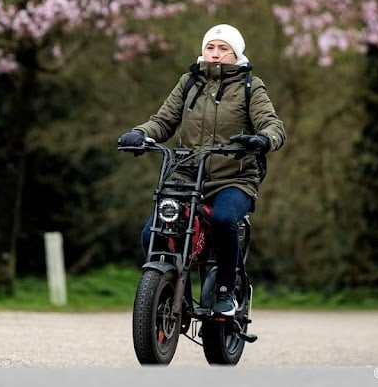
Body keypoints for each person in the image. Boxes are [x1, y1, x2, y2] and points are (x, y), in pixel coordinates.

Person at [118, 23, 285, 317]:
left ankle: (225, 289)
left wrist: (261, 139)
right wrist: (140, 133)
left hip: (234, 177)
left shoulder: (250, 86)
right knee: (151, 233)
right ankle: (168, 286)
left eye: (224, 49)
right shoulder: (188, 82)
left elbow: (274, 127)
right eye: (211, 47)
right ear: (203, 51)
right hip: (187, 175)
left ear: (236, 54)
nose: (216, 54)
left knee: (223, 219)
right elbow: (163, 121)